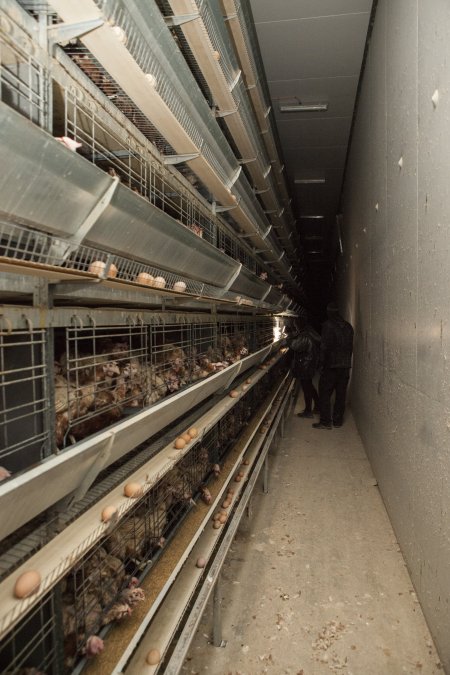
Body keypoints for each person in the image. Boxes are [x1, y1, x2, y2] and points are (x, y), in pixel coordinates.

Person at [313, 302, 354, 430]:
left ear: (329, 312)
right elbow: (350, 347)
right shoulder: (348, 327)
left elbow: (324, 347)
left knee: (324, 393)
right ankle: (337, 421)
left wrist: (321, 364)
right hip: (345, 366)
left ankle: (325, 422)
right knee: (341, 394)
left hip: (331, 366)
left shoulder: (328, 326)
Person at [288, 319, 321, 418]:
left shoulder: (305, 335)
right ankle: (318, 406)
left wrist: (288, 338)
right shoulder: (310, 332)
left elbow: (295, 346)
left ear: (299, 326)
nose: (296, 328)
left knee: (306, 388)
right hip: (310, 363)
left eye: (296, 326)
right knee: (309, 386)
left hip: (305, 365)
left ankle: (308, 411)